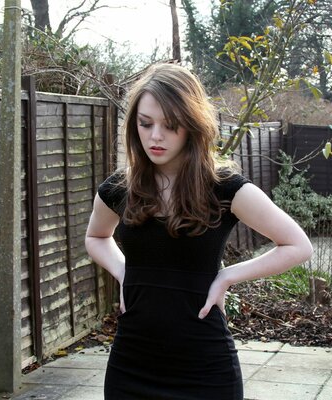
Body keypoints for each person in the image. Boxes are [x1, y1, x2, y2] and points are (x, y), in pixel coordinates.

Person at [85, 63, 313, 400]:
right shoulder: (120, 189)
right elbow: (96, 237)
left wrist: (227, 277)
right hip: (131, 364)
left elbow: (297, 245)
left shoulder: (225, 189)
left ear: (192, 125)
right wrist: (123, 271)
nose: (155, 136)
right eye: (145, 124)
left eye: (170, 125)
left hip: (205, 368)